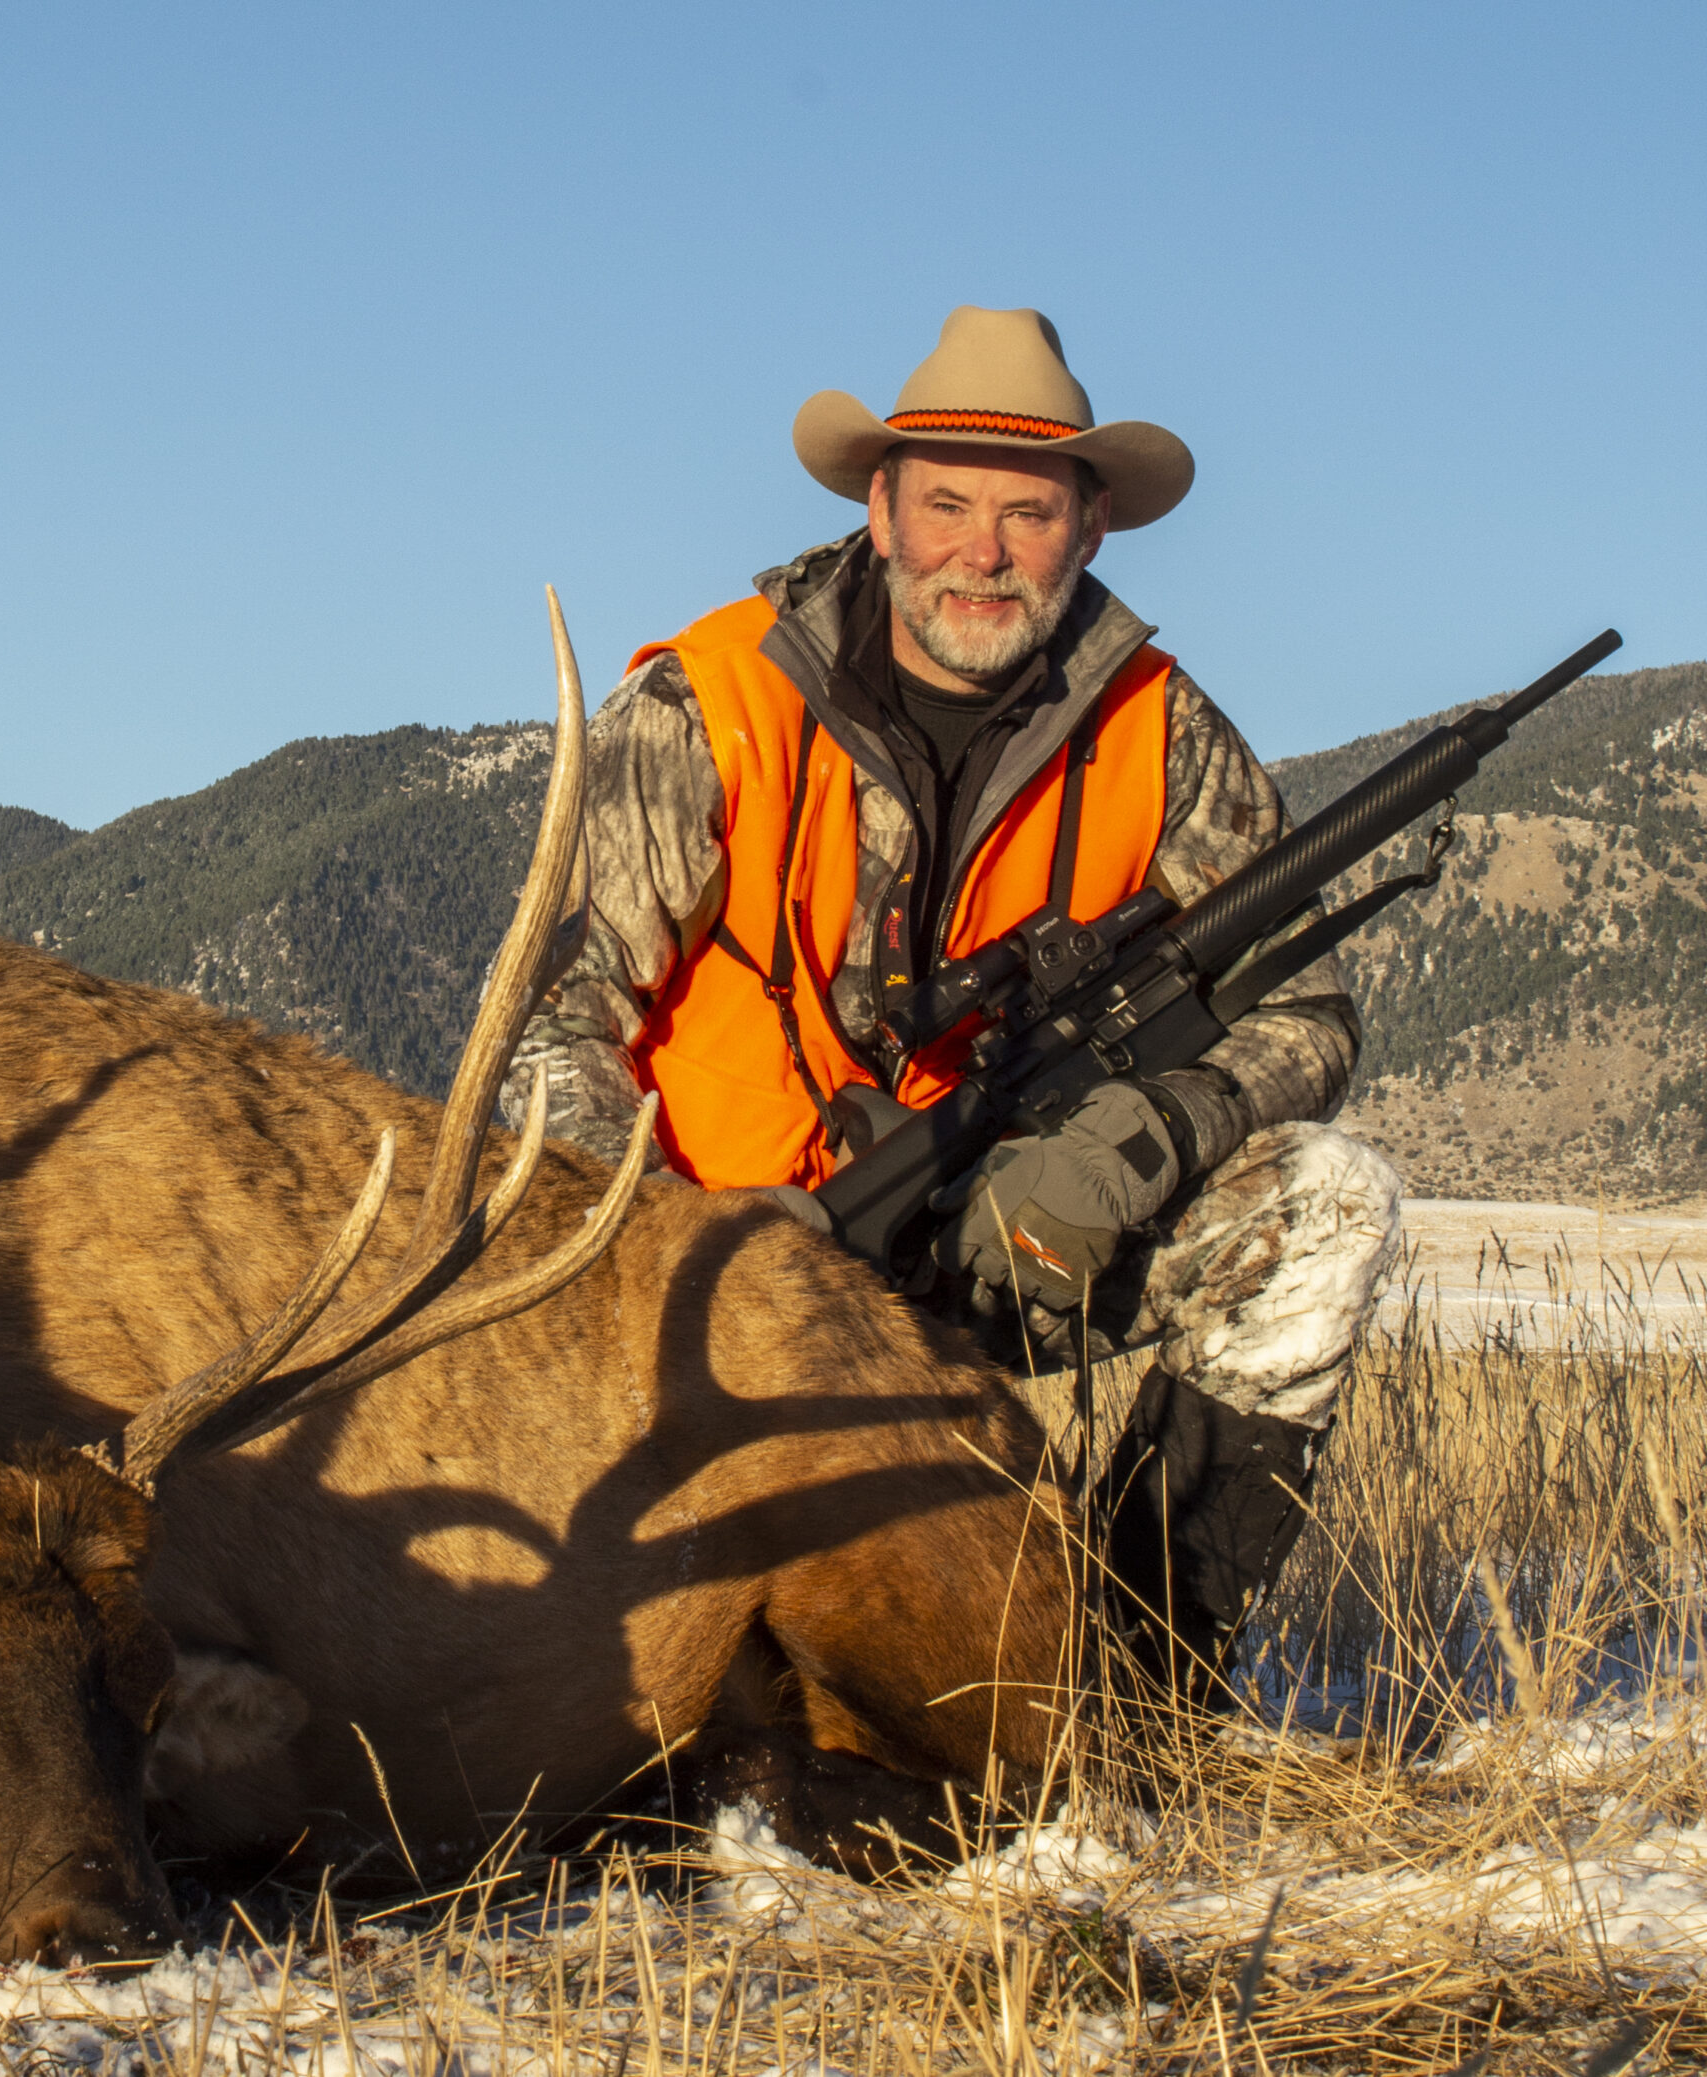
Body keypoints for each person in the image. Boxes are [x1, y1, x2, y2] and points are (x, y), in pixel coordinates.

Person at [503, 306, 1401, 1710]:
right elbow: (546, 1024)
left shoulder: (1164, 732)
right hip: (703, 1295)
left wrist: (1142, 1138)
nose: (982, 551)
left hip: (1009, 1254)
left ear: (1091, 526)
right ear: (879, 508)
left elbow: (1309, 1015)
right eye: (948, 505)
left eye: (1027, 512)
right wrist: (667, 1254)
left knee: (1330, 1204)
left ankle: (1134, 1698)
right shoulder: (714, 703)